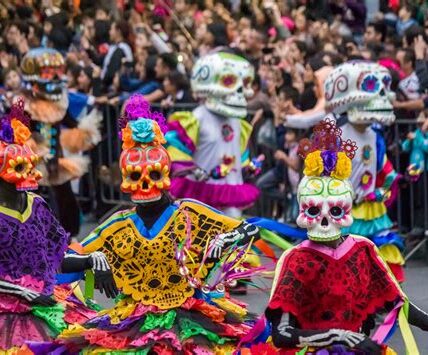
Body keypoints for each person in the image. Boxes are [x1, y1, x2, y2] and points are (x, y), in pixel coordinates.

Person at [48, 96, 262, 354]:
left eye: (154, 175)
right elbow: (61, 259)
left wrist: (222, 242)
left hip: (190, 322)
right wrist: (92, 260)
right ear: (125, 180)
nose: (145, 184)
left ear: (166, 177)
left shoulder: (189, 213)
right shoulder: (118, 225)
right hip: (133, 324)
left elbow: (249, 228)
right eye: (136, 176)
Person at [261, 119, 428, 354]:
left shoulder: (363, 249)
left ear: (347, 211)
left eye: (336, 210)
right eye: (314, 210)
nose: (325, 220)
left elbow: (396, 303)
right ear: (302, 210)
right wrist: (338, 337)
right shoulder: (295, 258)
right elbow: (281, 334)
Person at [0, 98, 111, 352]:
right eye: (20, 167)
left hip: (46, 305)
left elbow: (54, 258)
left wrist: (88, 260)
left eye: (33, 165)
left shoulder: (37, 205)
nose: (35, 174)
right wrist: (21, 292)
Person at [166, 50, 260, 218]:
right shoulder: (196, 119)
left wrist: (249, 167)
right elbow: (178, 153)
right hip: (201, 192)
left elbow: (240, 154)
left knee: (232, 234)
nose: (239, 92)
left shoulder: (238, 123)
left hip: (230, 190)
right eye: (229, 81)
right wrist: (192, 170)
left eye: (245, 83)